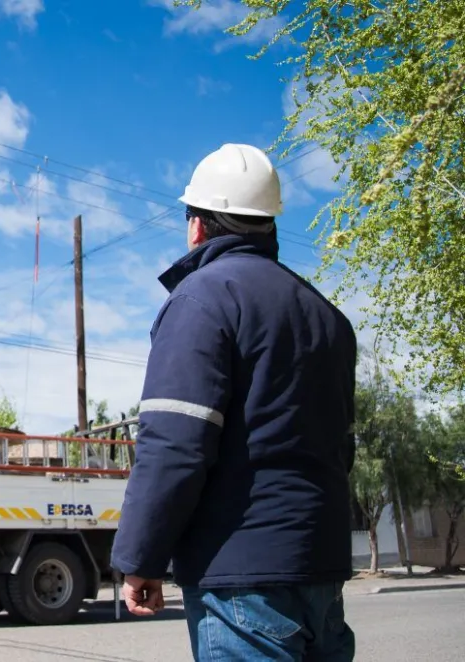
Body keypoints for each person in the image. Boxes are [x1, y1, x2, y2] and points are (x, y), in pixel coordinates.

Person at [110, 143, 358, 661]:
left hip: (240, 578)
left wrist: (142, 558)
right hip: (321, 569)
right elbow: (342, 448)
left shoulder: (202, 299)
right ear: (269, 226)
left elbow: (175, 442)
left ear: (197, 225)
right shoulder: (327, 316)